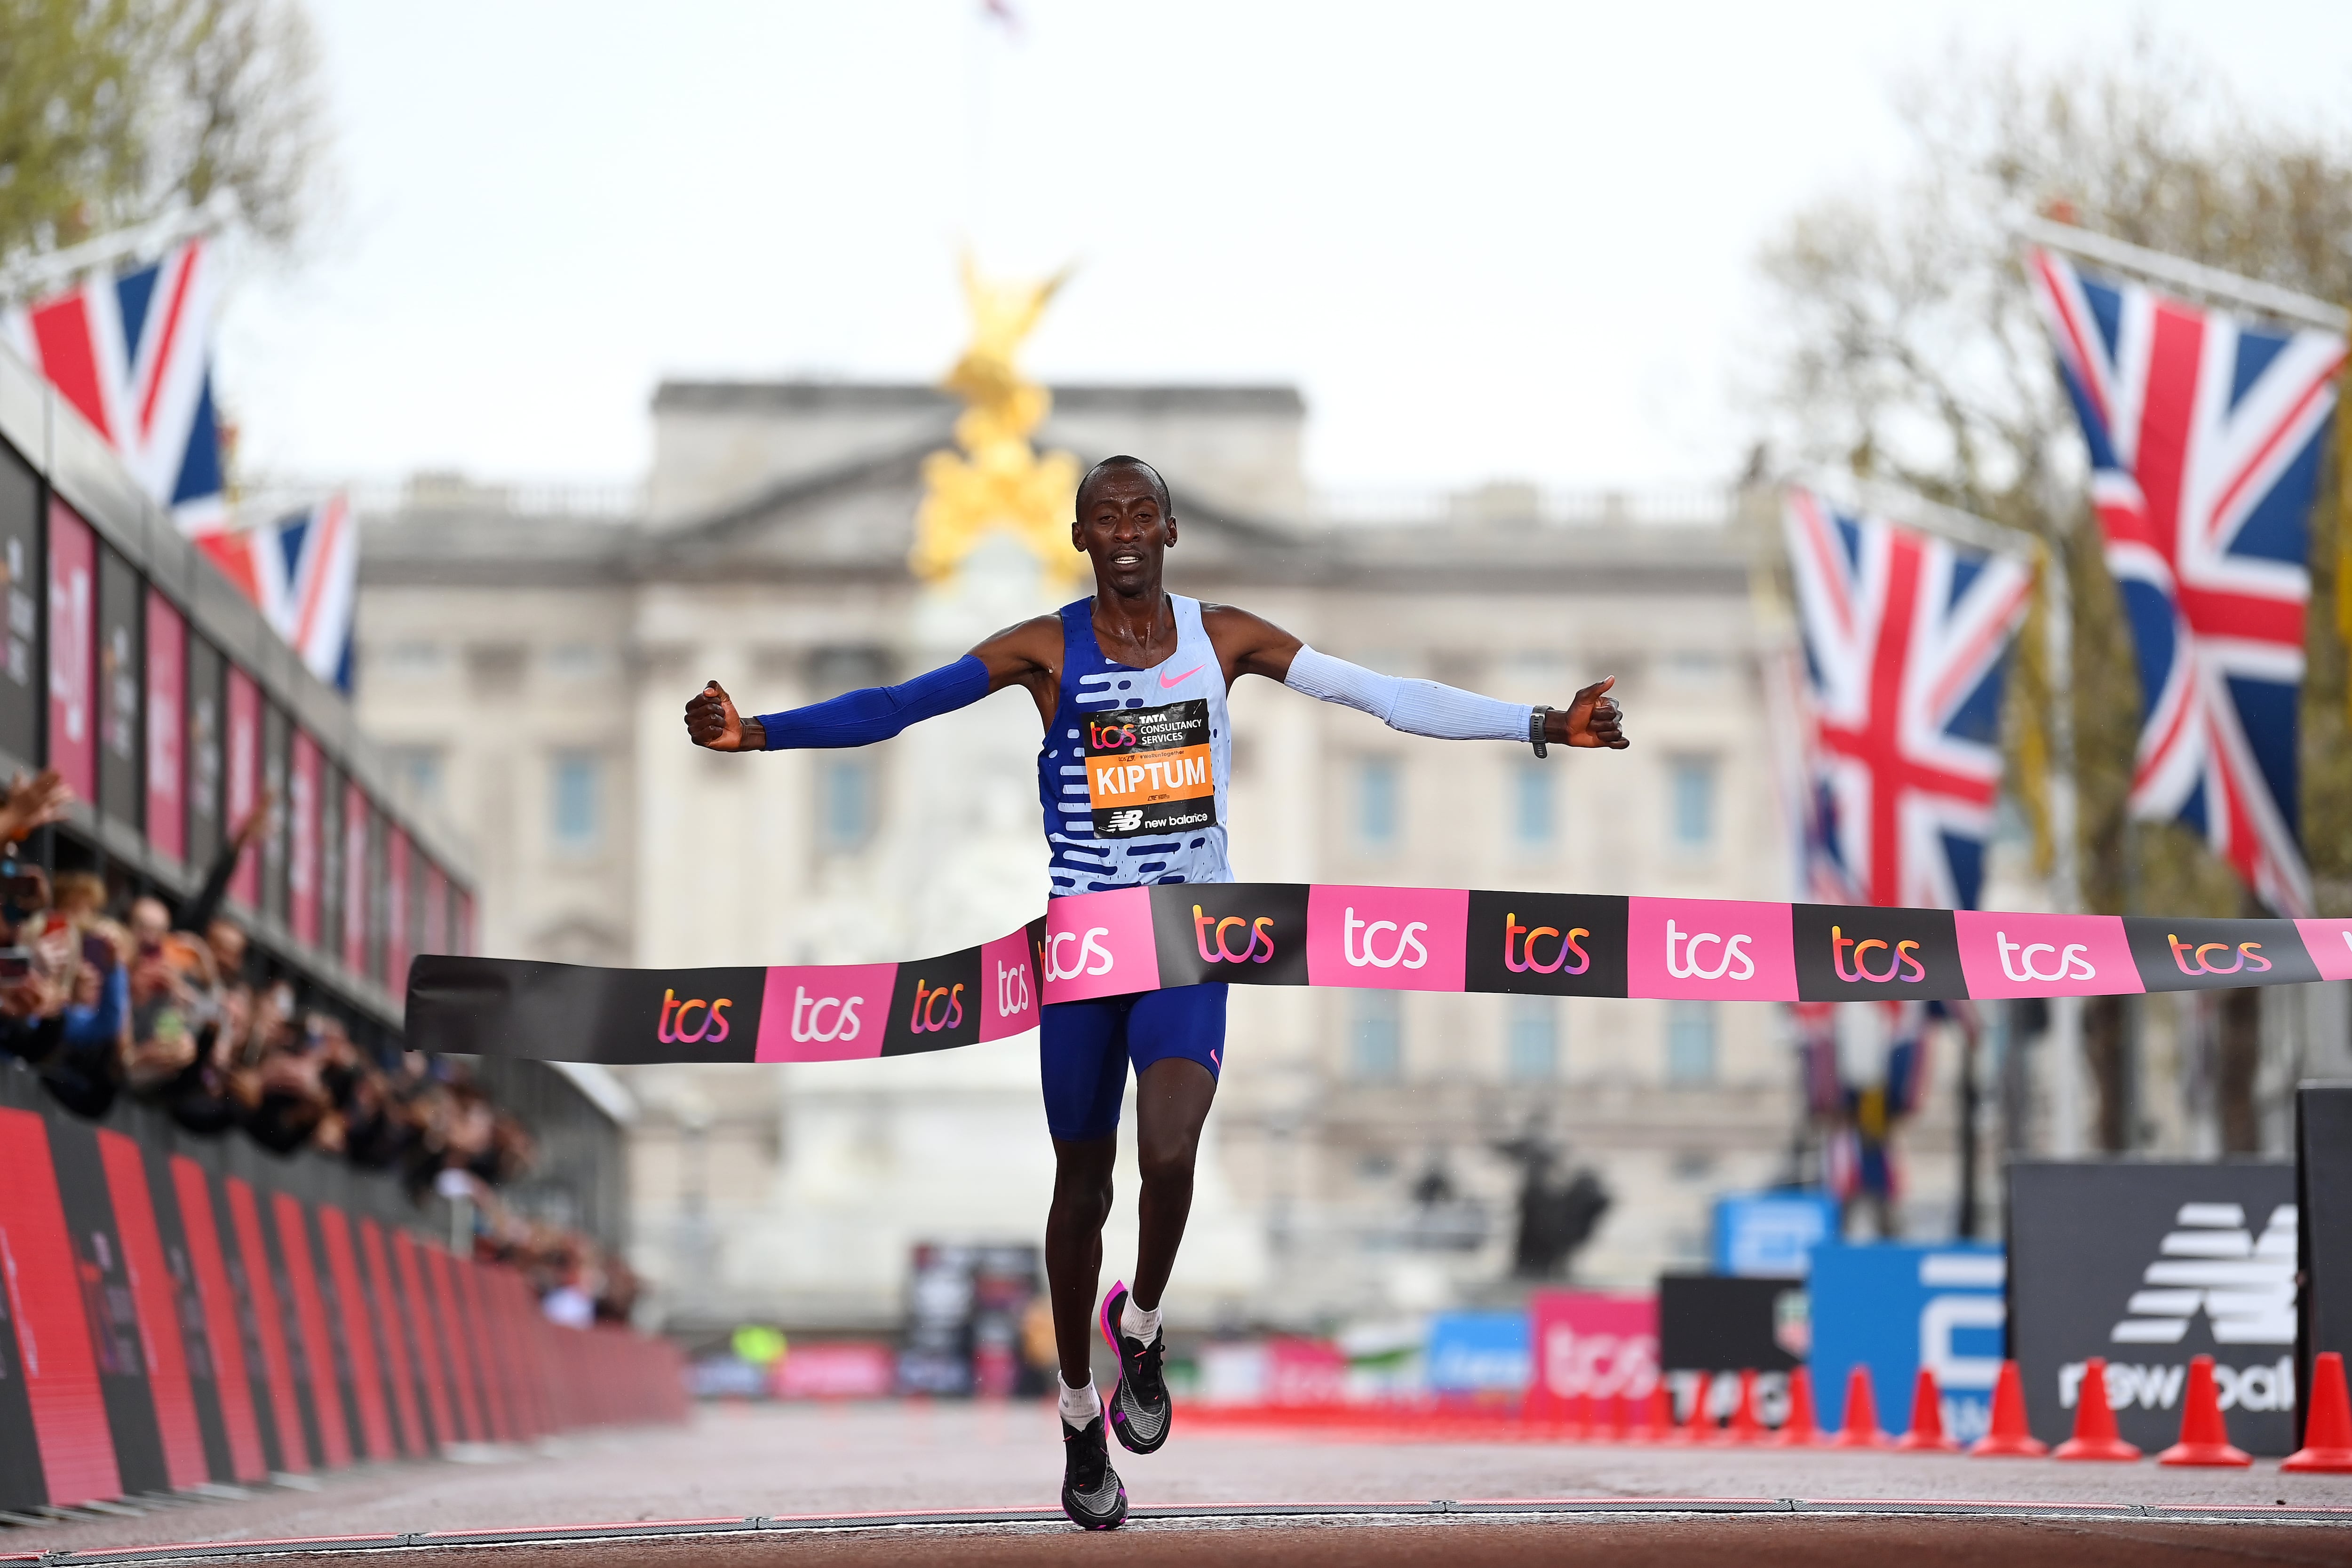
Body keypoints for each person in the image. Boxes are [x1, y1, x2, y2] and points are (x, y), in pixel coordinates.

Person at [685, 455, 1629, 1529]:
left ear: (1171, 531)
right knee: (1079, 1189)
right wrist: (757, 731)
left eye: (1143, 512)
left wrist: (1544, 723)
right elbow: (899, 705)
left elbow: (1382, 695)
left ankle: (1139, 1322)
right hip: (1085, 947)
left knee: (1172, 1152)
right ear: (1080, 537)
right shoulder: (1042, 649)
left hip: (1186, 936)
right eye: (1104, 515)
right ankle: (1080, 1409)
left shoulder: (1223, 636)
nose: (1125, 528)